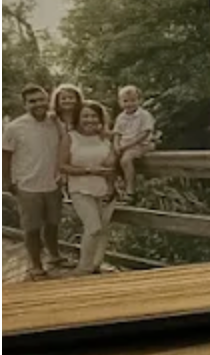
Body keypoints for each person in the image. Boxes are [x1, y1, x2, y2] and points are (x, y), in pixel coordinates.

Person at [4, 85, 65, 277]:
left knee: (53, 223)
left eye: (41, 99)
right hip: (27, 185)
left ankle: (54, 256)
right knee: (32, 228)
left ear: (48, 101)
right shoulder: (14, 127)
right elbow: (5, 155)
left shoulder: (55, 123)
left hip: (53, 183)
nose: (38, 104)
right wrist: (7, 182)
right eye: (32, 101)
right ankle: (35, 264)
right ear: (25, 104)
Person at [60, 102, 121, 276]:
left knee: (103, 228)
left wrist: (111, 186)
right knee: (93, 227)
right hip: (80, 189)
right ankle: (84, 267)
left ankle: (96, 264)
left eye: (94, 116)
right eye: (85, 116)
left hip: (106, 189)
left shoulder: (105, 138)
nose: (90, 120)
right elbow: (62, 165)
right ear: (78, 118)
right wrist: (89, 170)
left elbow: (113, 164)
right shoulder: (70, 137)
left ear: (100, 119)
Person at [111, 85, 159, 195]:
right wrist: (116, 146)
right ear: (120, 102)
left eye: (133, 100)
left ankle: (130, 190)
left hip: (141, 144)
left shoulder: (144, 115)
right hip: (124, 146)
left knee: (126, 160)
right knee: (109, 160)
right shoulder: (121, 117)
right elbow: (117, 133)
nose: (129, 104)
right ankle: (114, 188)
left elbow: (145, 133)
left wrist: (127, 146)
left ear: (140, 100)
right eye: (125, 101)